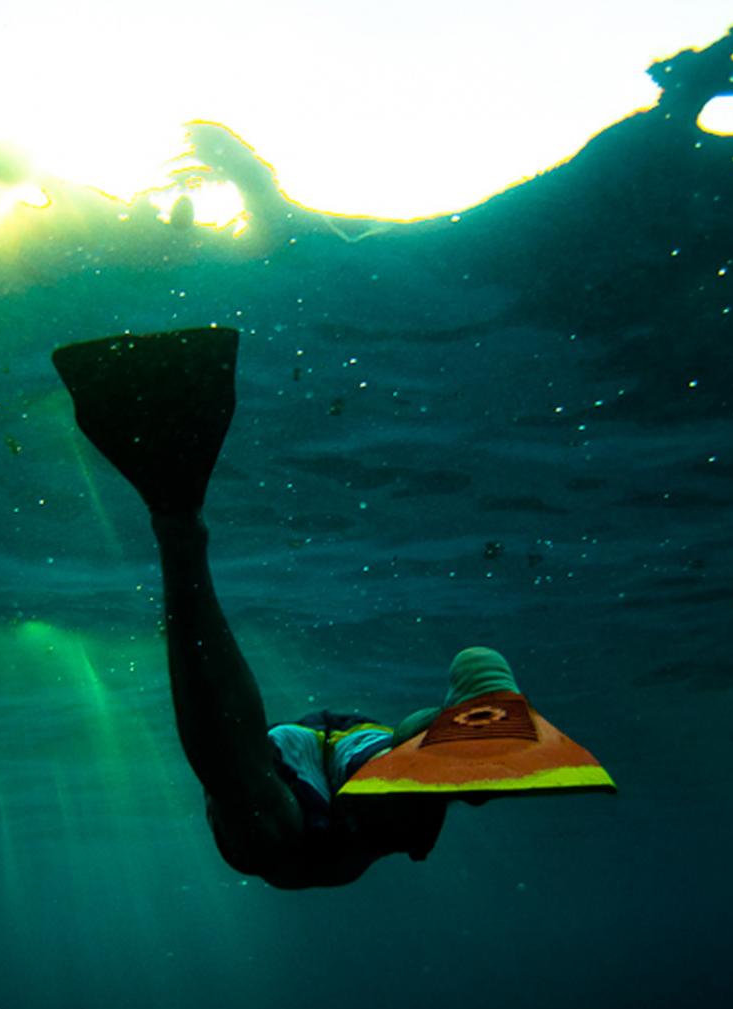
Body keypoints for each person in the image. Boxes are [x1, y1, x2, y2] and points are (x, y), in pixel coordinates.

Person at [51, 327, 581, 889]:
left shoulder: (277, 836)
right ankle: (455, 721)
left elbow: (235, 777)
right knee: (358, 803)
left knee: (274, 818)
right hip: (326, 764)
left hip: (298, 771)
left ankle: (455, 725)